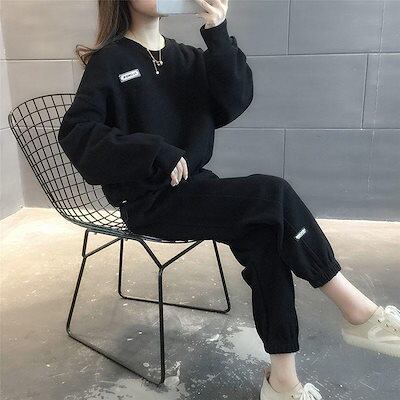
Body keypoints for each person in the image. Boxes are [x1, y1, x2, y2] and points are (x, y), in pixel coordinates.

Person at [58, 1, 400, 399]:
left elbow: (233, 100)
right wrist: (153, 152)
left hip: (196, 188)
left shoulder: (188, 58)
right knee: (272, 192)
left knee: (266, 238)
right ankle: (357, 311)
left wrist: (218, 31)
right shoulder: (111, 61)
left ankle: (282, 382)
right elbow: (77, 133)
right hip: (148, 202)